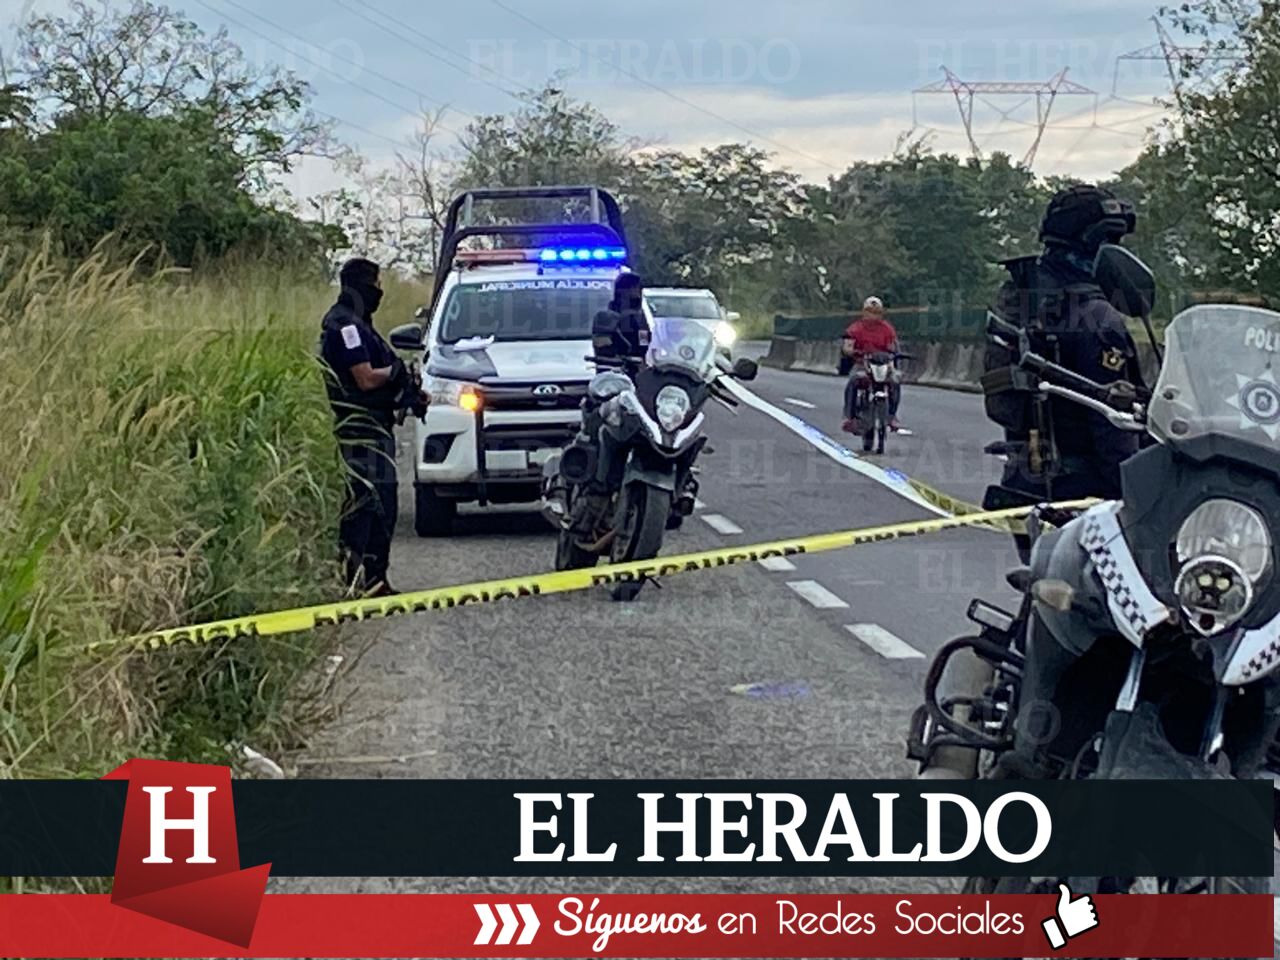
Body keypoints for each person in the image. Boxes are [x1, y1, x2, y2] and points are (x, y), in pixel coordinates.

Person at [983, 184, 1147, 547]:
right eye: (1113, 240)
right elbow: (1112, 425)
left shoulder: (1023, 296)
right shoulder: (1096, 316)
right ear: (1096, 242)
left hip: (1026, 480)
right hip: (1087, 495)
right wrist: (1140, 498)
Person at [319, 257, 413, 596]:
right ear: (361, 286)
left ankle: (374, 581)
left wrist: (410, 391)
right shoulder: (345, 326)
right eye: (375, 284)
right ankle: (357, 582)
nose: (379, 291)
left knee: (381, 505)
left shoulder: (360, 324)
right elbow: (365, 378)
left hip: (375, 425)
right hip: (360, 429)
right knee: (367, 506)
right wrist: (395, 375)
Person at [840, 296, 903, 433]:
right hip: (862, 364)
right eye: (870, 312)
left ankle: (891, 416)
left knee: (894, 381)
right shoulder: (855, 329)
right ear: (864, 313)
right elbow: (847, 346)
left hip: (883, 365)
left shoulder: (887, 329)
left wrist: (894, 354)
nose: (873, 315)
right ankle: (849, 417)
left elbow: (893, 346)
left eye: (876, 312)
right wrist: (852, 351)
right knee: (854, 380)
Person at [591, 272, 650, 361]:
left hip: (633, 363)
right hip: (618, 364)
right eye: (635, 287)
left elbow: (644, 340)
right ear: (625, 290)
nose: (638, 291)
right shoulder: (608, 317)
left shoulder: (638, 314)